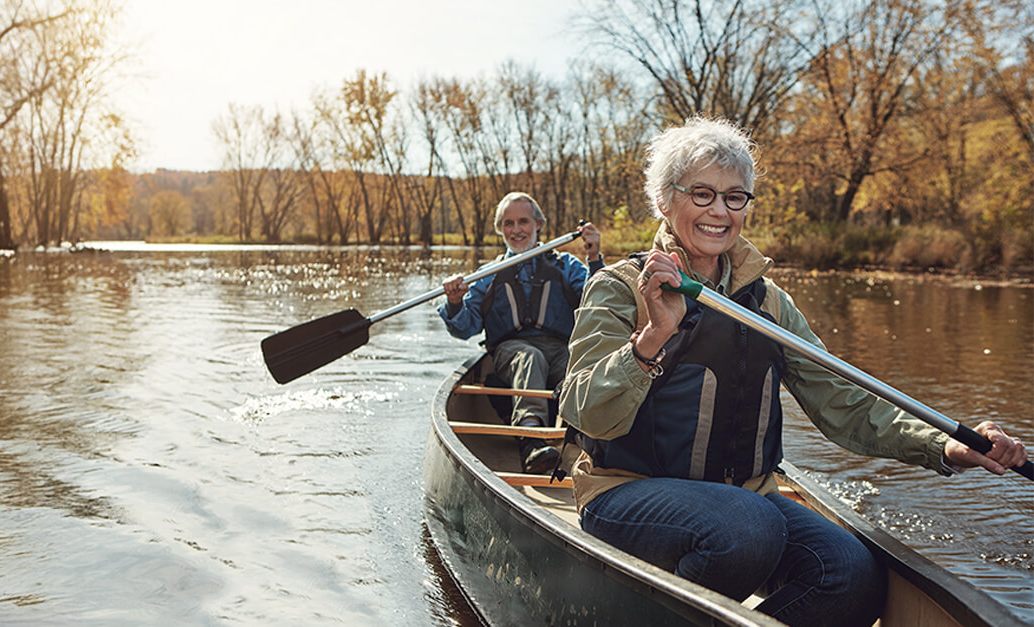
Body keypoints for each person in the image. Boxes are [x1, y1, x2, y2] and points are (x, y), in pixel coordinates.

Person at [559, 116, 1028, 627]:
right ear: (664, 202)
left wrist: (944, 444)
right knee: (747, 529)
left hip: (746, 501)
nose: (719, 211)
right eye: (702, 194)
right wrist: (652, 337)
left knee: (849, 575)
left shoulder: (770, 304)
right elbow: (585, 410)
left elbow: (845, 401)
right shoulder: (618, 286)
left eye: (735, 197)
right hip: (627, 492)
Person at [440, 191, 603, 474]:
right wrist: (454, 302)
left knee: (579, 362)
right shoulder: (488, 274)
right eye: (508, 223)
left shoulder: (567, 267)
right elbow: (464, 328)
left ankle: (590, 439)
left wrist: (594, 257)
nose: (516, 230)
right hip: (510, 352)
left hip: (560, 349)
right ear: (500, 229)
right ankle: (531, 440)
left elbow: (600, 303)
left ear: (538, 224)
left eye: (523, 221)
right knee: (530, 357)